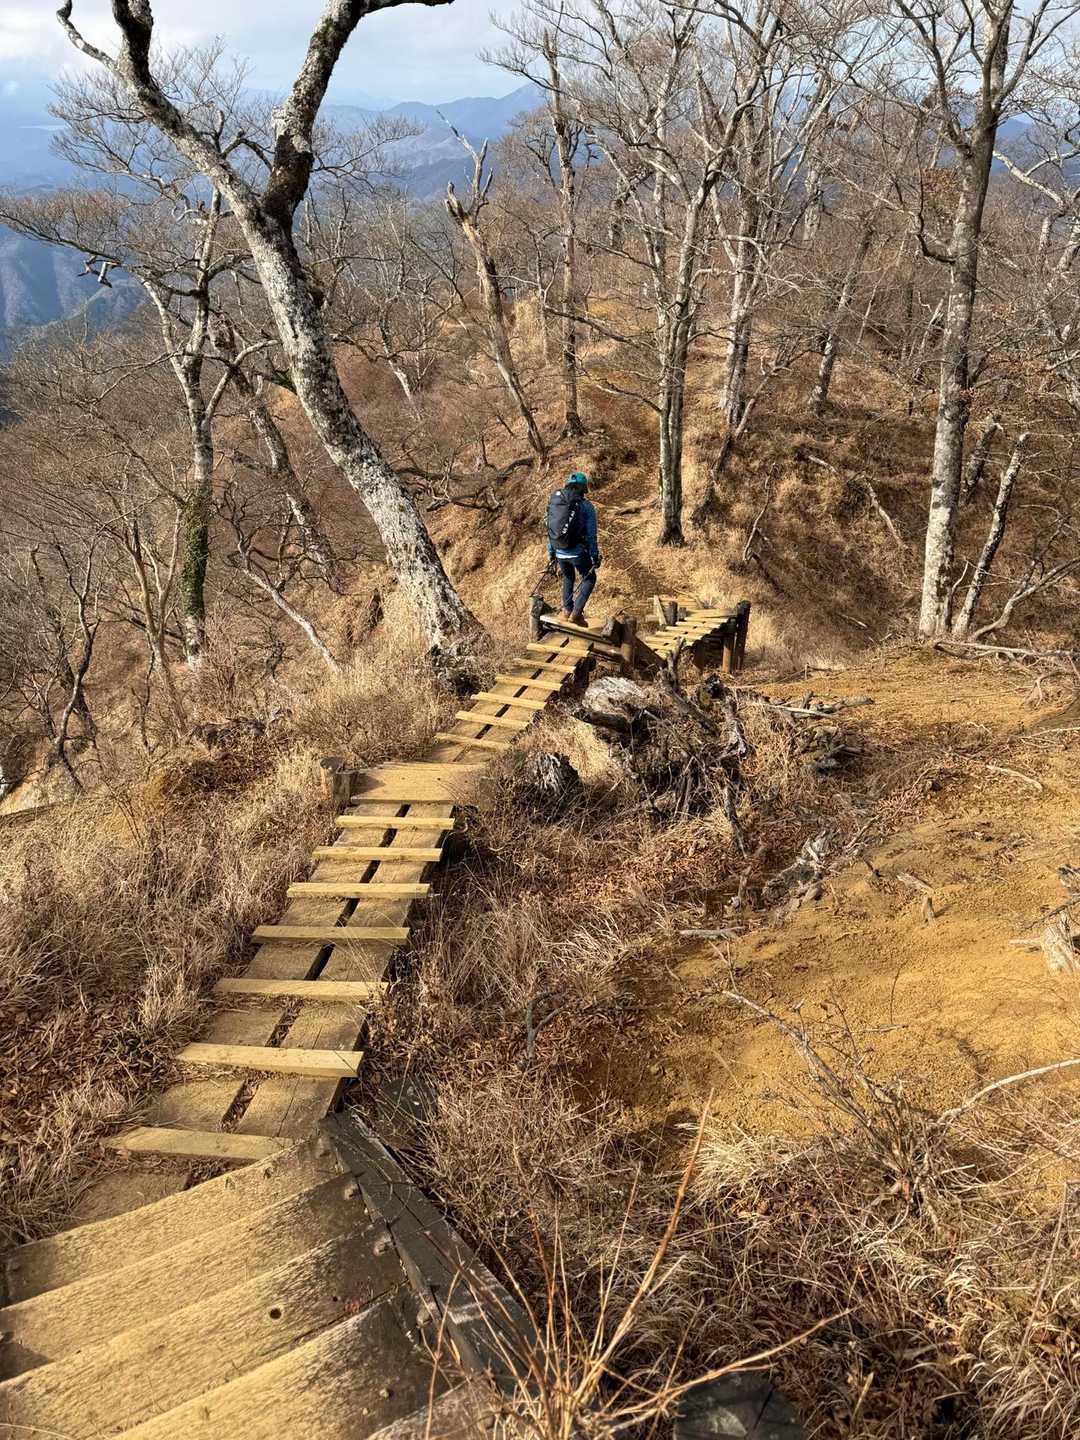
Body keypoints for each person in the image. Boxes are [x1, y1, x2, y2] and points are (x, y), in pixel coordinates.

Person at [546, 472, 601, 625]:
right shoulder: (586, 506)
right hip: (577, 552)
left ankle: (567, 611)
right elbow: (591, 534)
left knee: (568, 577)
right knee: (589, 578)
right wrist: (594, 555)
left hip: (559, 550)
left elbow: (551, 529)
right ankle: (576, 613)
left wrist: (551, 552)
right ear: (583, 489)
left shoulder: (556, 502)